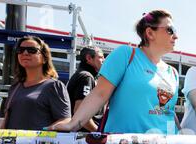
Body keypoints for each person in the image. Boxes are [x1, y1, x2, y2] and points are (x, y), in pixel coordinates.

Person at [49, 9, 180, 135]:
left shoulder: (172, 72)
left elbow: (169, 112)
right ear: (150, 33)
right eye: (170, 30)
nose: (176, 36)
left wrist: (178, 142)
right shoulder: (126, 55)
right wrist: (73, 124)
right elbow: (99, 94)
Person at [1, 35, 71, 130]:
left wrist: (44, 133)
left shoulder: (54, 86)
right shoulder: (15, 87)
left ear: (44, 58)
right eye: (20, 50)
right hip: (11, 143)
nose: (25, 53)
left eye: (32, 50)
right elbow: (6, 120)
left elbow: (65, 120)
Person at [67, 46, 105, 132]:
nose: (104, 60)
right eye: (100, 57)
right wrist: (97, 132)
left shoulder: (82, 74)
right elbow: (80, 113)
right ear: (89, 58)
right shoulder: (86, 77)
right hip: (83, 138)